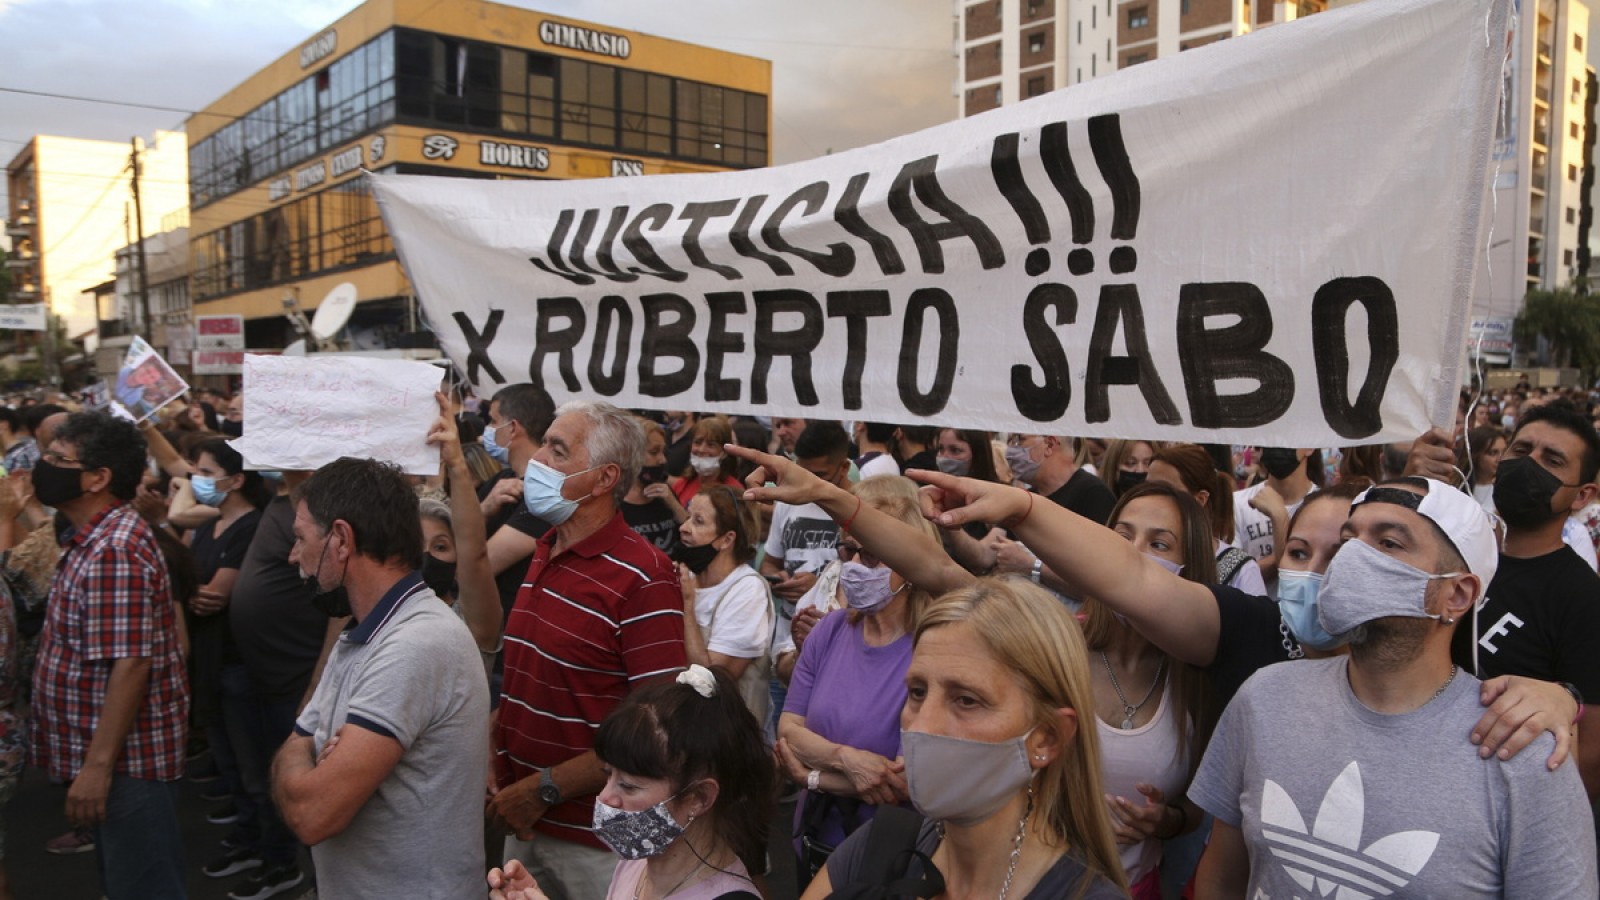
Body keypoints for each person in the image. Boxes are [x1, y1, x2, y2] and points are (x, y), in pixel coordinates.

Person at [722, 443, 1583, 775]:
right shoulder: (1259, 667)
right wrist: (1022, 508)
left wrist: (1557, 703)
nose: (1344, 565)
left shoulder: (1505, 730)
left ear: (1458, 595)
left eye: (1381, 545)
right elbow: (1121, 582)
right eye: (1317, 545)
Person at [1189, 478, 1598, 898]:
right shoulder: (1264, 699)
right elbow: (1223, 875)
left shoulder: (1520, 748)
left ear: (1456, 594)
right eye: (1350, 539)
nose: (1351, 557)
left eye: (1387, 543)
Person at [799, 578, 1127, 899]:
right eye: (917, 692)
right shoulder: (880, 845)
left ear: (1045, 739)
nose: (922, 725)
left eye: (967, 700)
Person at [492, 401, 687, 900]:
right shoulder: (546, 548)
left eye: (557, 450)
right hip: (528, 822)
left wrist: (544, 788)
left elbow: (656, 724)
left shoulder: (644, 575)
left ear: (604, 479)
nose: (537, 459)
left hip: (599, 843)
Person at [273, 457, 489, 897]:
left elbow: (312, 814)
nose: (293, 555)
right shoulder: (361, 633)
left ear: (341, 538)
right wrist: (306, 754)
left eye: (300, 538)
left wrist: (306, 754)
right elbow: (294, 747)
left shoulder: (415, 644)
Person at [29, 412, 189, 899]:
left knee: (142, 887)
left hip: (126, 764)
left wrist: (97, 768)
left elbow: (131, 663)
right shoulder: (91, 537)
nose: (45, 466)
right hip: (112, 758)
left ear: (98, 478)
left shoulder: (113, 549)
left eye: (59, 459)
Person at [1410, 399, 1600, 796]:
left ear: (1582, 496)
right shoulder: (1452, 555)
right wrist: (1411, 489)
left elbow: (1591, 754)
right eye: (1521, 450)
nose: (1528, 463)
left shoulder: (1583, 598)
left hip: (1496, 802)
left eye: (1552, 460)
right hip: (1412, 771)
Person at [488, 665, 775, 900]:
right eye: (607, 775)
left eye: (628, 786)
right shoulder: (636, 864)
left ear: (698, 797)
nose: (605, 797)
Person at [773, 476, 935, 888]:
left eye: (874, 555)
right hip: (812, 841)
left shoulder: (933, 649)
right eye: (849, 551)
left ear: (909, 561)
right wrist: (848, 760)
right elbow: (790, 731)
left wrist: (811, 777)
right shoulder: (828, 631)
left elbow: (901, 782)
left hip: (889, 860)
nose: (857, 566)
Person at [1089, 483, 1216, 897]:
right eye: (1123, 536)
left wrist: (1167, 821)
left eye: (1158, 543)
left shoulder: (1200, 680)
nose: (1132, 552)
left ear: (1190, 569)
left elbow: (1199, 807)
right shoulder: (1052, 646)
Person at [674, 485, 772, 721]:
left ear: (727, 539)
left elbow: (711, 681)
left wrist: (687, 605)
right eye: (688, 517)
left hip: (727, 737)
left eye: (698, 521)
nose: (684, 528)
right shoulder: (688, 578)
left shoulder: (747, 590)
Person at [1147, 443, 1268, 595]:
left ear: (1200, 499)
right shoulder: (1138, 549)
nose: (1149, 497)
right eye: (1147, 488)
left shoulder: (1240, 569)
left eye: (1164, 490)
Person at [1232, 447, 1320, 586]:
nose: (1278, 445)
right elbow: (1232, 576)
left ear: (1309, 448)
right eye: (1272, 438)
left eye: (1288, 438)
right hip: (1253, 605)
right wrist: (1291, 555)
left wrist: (1280, 518)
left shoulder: (1323, 506)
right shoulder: (1237, 503)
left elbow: (1309, 574)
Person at [624, 418, 687, 555]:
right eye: (654, 452)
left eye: (663, 452)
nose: (662, 460)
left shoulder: (666, 495)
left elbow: (691, 538)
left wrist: (674, 505)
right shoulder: (613, 501)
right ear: (632, 454)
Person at [671, 416, 743, 508]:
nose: (701, 449)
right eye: (697, 442)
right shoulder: (681, 485)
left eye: (711, 445)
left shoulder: (734, 491)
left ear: (724, 452)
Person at [1457, 425, 1506, 514]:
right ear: (1475, 456)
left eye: (1504, 452)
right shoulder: (1457, 488)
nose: (1501, 459)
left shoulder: (1509, 489)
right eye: (1493, 453)